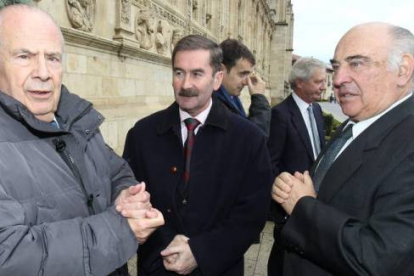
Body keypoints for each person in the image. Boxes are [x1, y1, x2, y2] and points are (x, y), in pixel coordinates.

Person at [0, 4, 164, 275]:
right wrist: (121, 230)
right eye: (24, 56)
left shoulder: (76, 119)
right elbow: (9, 254)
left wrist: (126, 195)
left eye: (53, 58)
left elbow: (116, 171)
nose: (43, 72)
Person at [122, 35, 272, 276]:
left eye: (197, 74)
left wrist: (200, 252)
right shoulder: (142, 134)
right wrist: (167, 244)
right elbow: (132, 198)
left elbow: (252, 215)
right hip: (157, 266)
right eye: (179, 73)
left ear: (217, 79)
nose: (185, 84)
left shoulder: (248, 140)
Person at [272, 22, 414, 275]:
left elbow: (378, 258)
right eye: (336, 66)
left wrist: (302, 205)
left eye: (356, 63)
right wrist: (289, 193)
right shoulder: (356, 122)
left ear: (403, 70)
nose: (337, 80)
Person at [267, 57, 327, 276]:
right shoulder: (281, 114)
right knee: (281, 261)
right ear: (300, 82)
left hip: (315, 202)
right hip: (289, 208)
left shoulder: (318, 111)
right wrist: (281, 204)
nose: (324, 86)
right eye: (319, 82)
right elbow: (270, 163)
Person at [216, 38, 271, 137]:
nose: (246, 82)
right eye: (242, 74)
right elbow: (253, 141)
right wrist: (259, 100)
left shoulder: (231, 98)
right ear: (221, 69)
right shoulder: (214, 104)